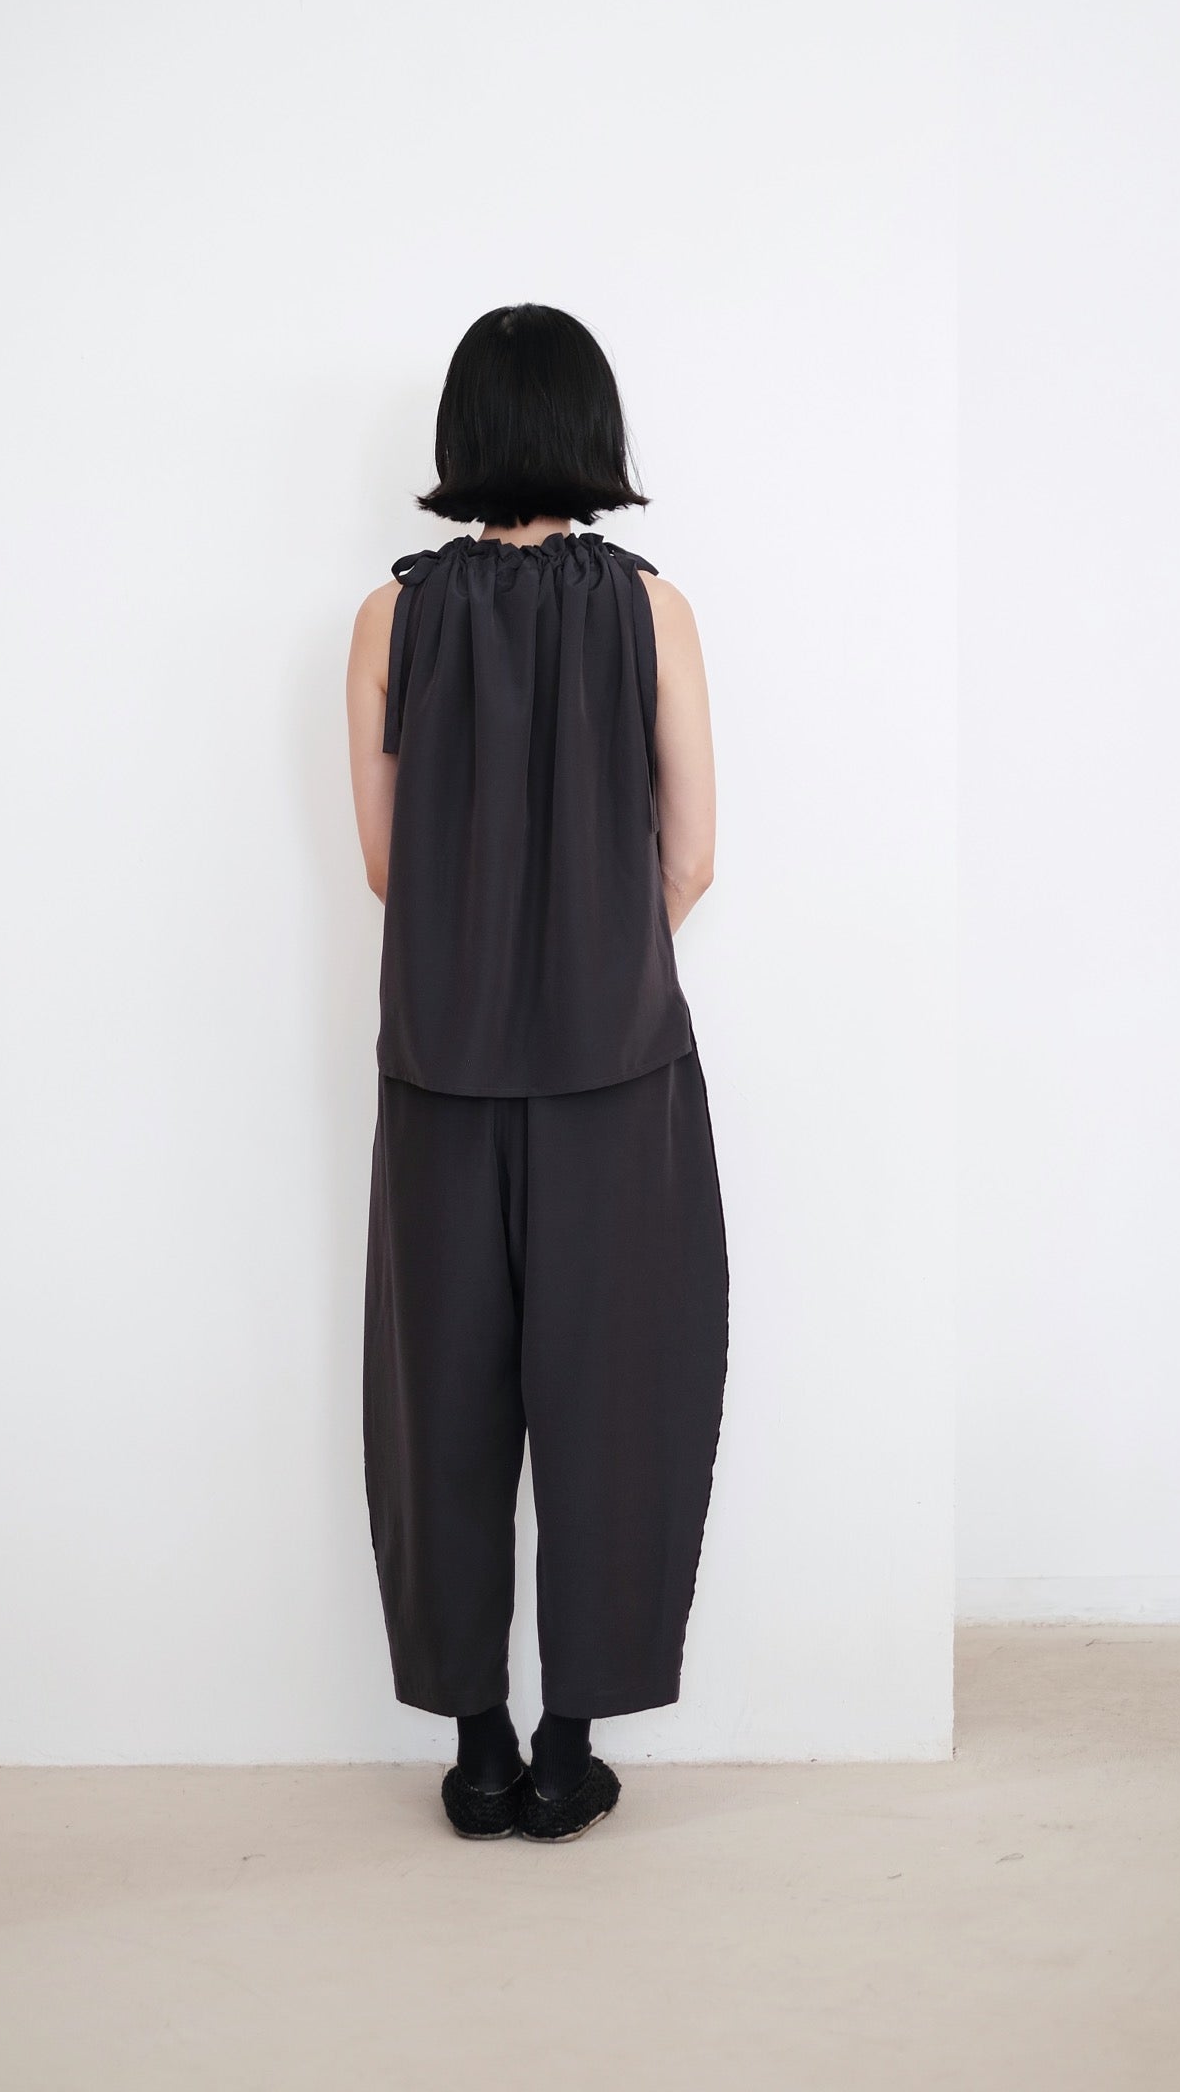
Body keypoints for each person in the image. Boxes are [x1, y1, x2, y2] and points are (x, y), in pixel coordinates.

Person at [345, 304, 728, 1842]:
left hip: (440, 1067)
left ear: (461, 436)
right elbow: (692, 857)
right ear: (591, 432)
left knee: (438, 1399)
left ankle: (478, 1748)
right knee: (619, 1394)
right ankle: (571, 1750)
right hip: (614, 1068)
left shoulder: (389, 620)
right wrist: (592, 954)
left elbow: (386, 867)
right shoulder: (653, 611)